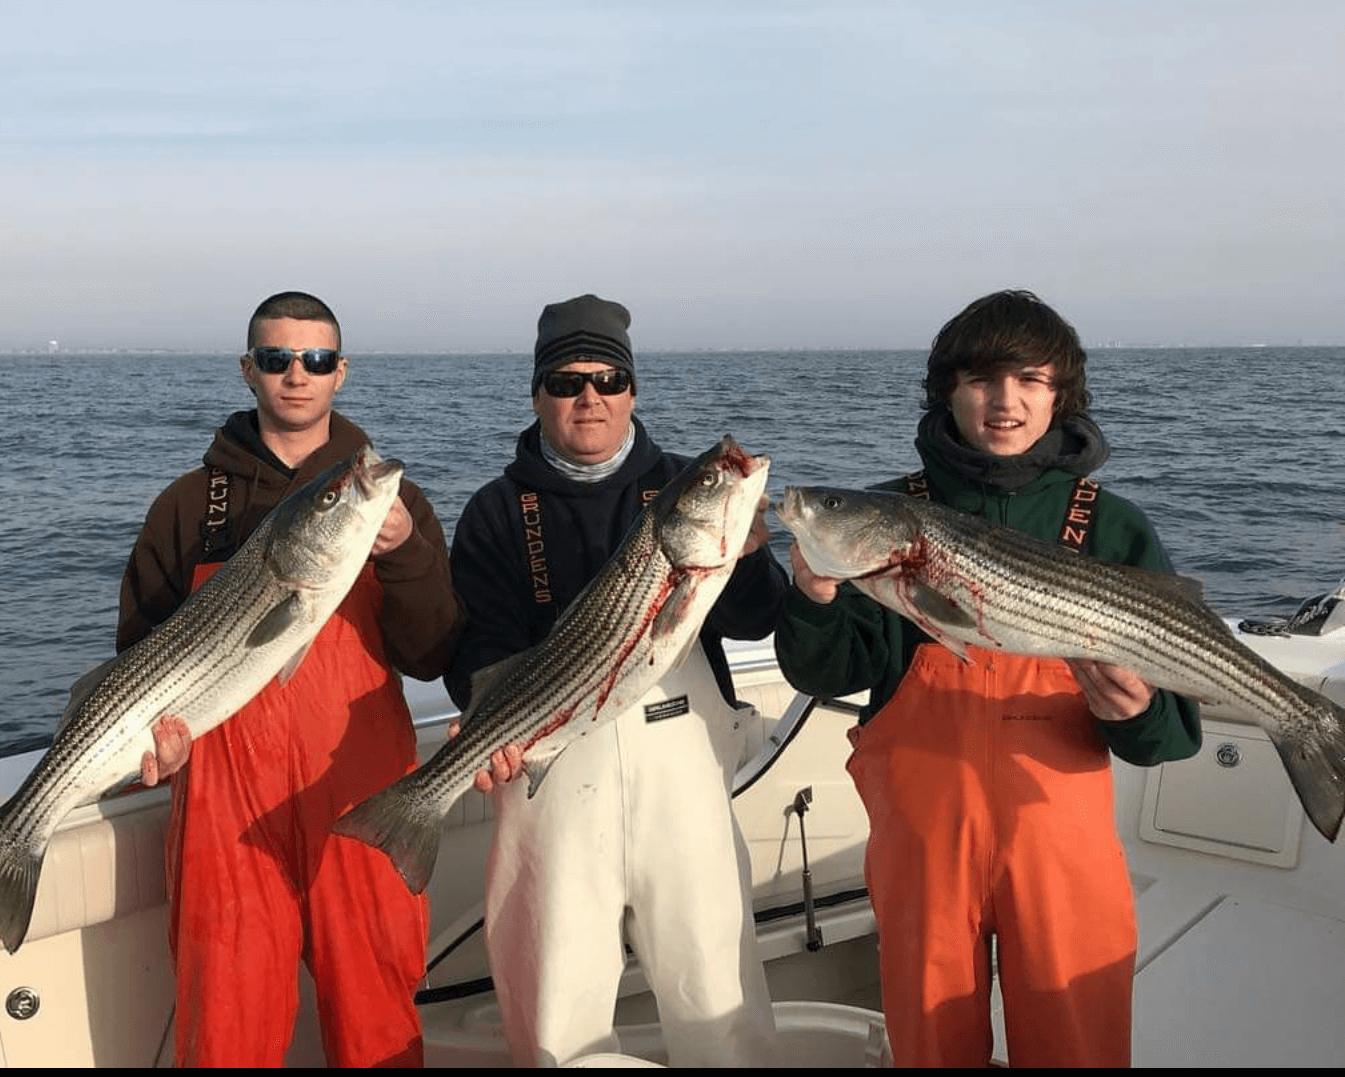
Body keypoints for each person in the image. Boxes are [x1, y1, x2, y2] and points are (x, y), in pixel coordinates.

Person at [774, 289, 1202, 1068]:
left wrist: (1134, 711)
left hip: (1060, 845)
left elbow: (1166, 735)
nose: (1005, 401)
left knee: (1079, 1043)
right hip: (924, 842)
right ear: (948, 390)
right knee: (931, 1046)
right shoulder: (892, 514)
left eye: (1031, 381)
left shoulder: (1110, 526)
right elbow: (826, 666)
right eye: (980, 379)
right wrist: (812, 594)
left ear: (1059, 396)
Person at [117, 290, 463, 1067]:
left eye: (314, 360)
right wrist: (157, 749)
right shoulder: (186, 507)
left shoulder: (395, 504)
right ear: (249, 370)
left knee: (380, 1020)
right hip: (221, 805)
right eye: (276, 359)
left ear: (341, 371)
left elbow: (435, 651)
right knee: (226, 1028)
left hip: (359, 791)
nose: (295, 375)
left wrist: (403, 551)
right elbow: (135, 657)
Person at [445, 294, 786, 1067]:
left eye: (607, 377)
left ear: (633, 389)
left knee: (723, 1006)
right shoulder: (497, 511)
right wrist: (487, 720)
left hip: (686, 776)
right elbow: (478, 648)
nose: (588, 396)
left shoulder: (684, 484)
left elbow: (758, 620)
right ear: (537, 394)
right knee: (558, 1024)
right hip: (550, 778)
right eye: (566, 381)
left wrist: (753, 553)